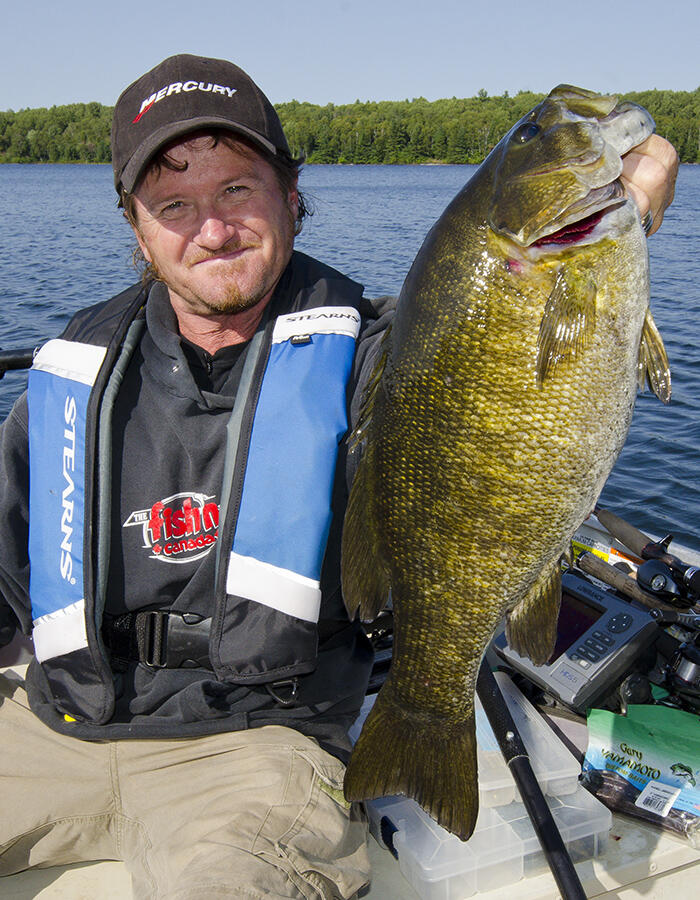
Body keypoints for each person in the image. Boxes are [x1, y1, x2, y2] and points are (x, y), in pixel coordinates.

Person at [0, 54, 679, 900]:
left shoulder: (370, 358)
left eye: (238, 190)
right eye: (174, 205)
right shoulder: (74, 372)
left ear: (292, 194)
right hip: (51, 717)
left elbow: (504, 335)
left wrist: (623, 209)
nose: (212, 229)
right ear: (137, 227)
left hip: (254, 742)